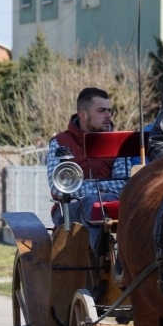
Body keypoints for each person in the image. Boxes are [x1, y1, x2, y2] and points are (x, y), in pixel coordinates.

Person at [46, 87, 130, 252]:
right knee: (92, 203)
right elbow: (58, 186)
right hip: (68, 209)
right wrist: (94, 192)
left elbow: (123, 184)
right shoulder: (60, 143)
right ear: (83, 115)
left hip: (108, 203)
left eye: (109, 110)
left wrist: (80, 185)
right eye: (101, 111)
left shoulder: (118, 142)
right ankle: (105, 253)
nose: (108, 116)